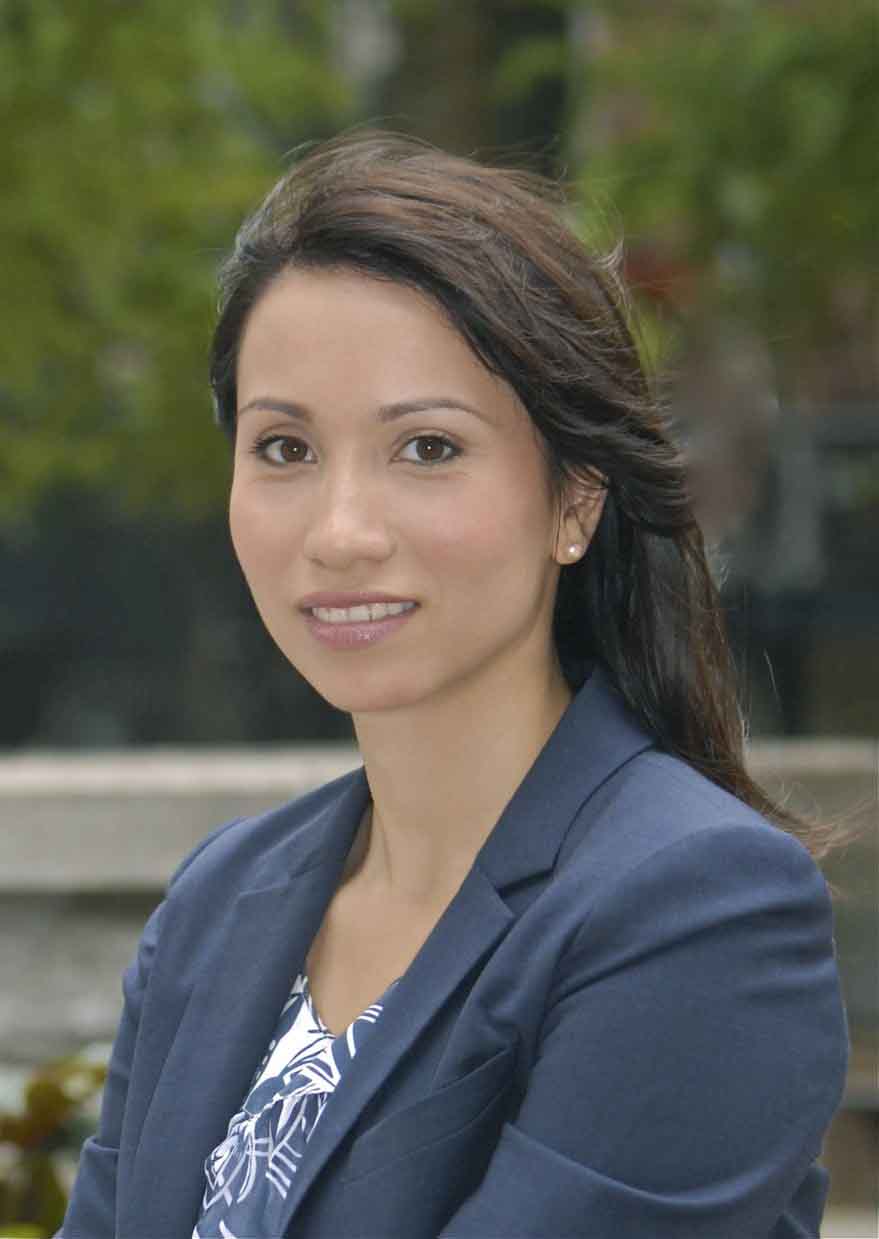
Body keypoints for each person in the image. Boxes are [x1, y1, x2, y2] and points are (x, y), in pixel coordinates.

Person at [58, 130, 848, 1239]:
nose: (340, 533)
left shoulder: (695, 907)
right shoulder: (218, 903)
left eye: (427, 448)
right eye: (284, 448)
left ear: (576, 498)